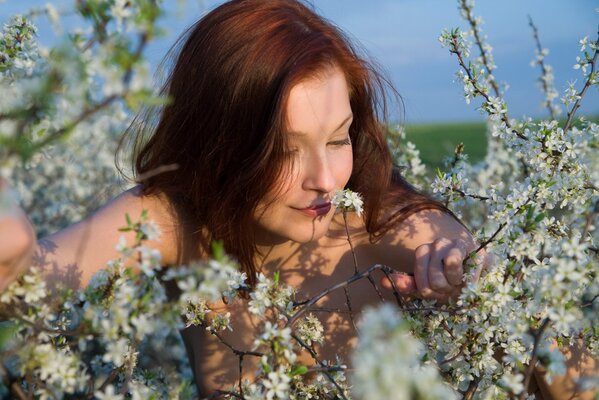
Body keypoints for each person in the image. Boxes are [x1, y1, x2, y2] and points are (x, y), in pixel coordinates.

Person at [0, 0, 596, 398]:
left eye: (338, 140)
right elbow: (43, 274)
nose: (326, 179)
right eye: (285, 151)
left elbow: (441, 245)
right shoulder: (181, 220)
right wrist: (15, 253)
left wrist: (466, 274)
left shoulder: (379, 213)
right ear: (218, 145)